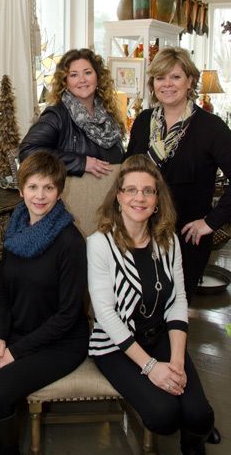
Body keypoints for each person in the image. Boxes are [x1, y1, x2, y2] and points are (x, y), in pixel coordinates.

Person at [0, 151, 90, 455]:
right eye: (32, 187)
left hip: (61, 342)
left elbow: (69, 315)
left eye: (48, 188)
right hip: (17, 332)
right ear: (21, 190)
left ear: (59, 191)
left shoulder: (70, 241)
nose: (40, 196)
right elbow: (3, 292)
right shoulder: (16, 229)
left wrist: (15, 352)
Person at [87, 155, 215, 455]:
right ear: (118, 197)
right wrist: (151, 368)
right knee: (164, 416)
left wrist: (178, 361)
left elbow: (178, 301)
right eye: (131, 190)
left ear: (157, 200)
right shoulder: (99, 243)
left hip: (161, 337)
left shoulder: (167, 239)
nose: (139, 198)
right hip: (117, 347)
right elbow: (105, 314)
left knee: (200, 416)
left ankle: (193, 443)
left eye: (148, 191)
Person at [126, 46, 231, 302]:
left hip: (185, 240)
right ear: (153, 84)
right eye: (160, 78)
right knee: (138, 307)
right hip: (140, 233)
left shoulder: (211, 127)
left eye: (175, 77)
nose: (167, 84)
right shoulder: (142, 121)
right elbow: (128, 174)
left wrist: (211, 222)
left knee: (175, 312)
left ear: (190, 81)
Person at [19, 48, 126, 178]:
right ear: (65, 82)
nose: (82, 80)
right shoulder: (56, 116)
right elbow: (27, 151)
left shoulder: (108, 115)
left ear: (98, 77)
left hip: (111, 196)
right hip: (73, 197)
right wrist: (81, 162)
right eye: (74, 75)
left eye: (87, 73)